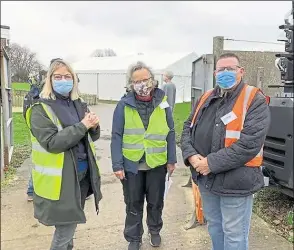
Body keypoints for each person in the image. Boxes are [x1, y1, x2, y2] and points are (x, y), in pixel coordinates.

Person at [181, 52, 270, 250]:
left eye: (230, 68)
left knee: (235, 235)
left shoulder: (253, 98)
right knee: (215, 229)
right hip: (207, 180)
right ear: (215, 73)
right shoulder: (206, 97)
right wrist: (192, 156)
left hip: (236, 182)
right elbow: (188, 128)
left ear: (241, 71)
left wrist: (209, 163)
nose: (225, 73)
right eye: (221, 69)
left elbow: (249, 144)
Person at [25, 59, 102, 249]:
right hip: (62, 180)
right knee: (65, 231)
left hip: (82, 175)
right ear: (49, 79)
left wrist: (94, 125)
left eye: (68, 76)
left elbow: (92, 136)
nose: (63, 80)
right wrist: (83, 125)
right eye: (58, 76)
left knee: (70, 227)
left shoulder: (79, 104)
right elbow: (53, 143)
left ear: (74, 80)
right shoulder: (39, 109)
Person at [111, 61, 177, 250]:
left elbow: (170, 131)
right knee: (133, 203)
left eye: (145, 79)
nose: (142, 84)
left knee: (156, 202)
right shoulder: (123, 105)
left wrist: (172, 159)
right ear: (131, 84)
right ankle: (134, 237)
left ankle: (154, 230)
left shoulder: (163, 103)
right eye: (137, 81)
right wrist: (117, 164)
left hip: (157, 164)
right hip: (132, 165)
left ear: (153, 80)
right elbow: (116, 136)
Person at [26, 58, 63, 202]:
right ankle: (31, 189)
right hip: (43, 125)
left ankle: (31, 190)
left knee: (40, 162)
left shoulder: (45, 82)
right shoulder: (46, 85)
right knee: (41, 161)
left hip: (45, 126)